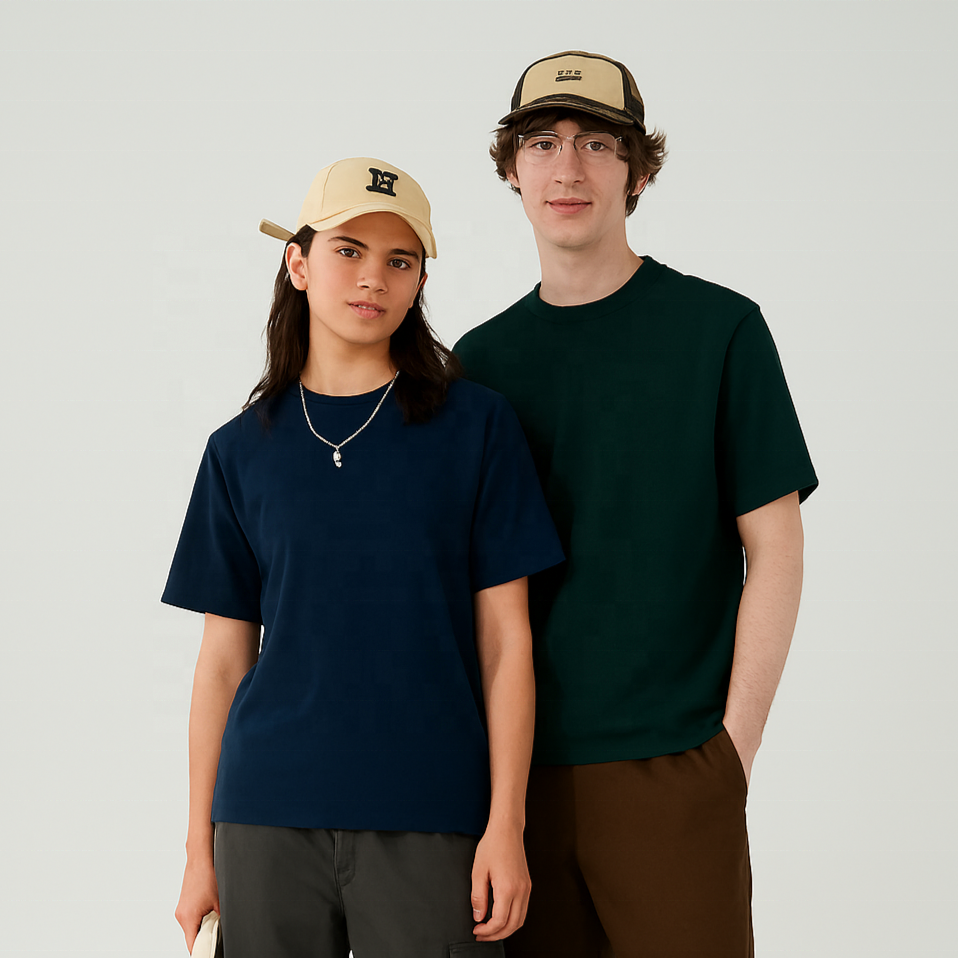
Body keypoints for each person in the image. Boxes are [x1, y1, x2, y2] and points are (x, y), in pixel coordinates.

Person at [454, 51, 818, 958]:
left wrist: (731, 751)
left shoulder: (719, 330)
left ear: (639, 171)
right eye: (543, 143)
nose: (568, 168)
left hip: (675, 766)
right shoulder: (479, 365)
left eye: (597, 144)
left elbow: (776, 546)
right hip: (517, 785)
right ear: (511, 170)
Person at [162, 156, 564, 958]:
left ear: (420, 283)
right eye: (348, 250)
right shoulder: (239, 451)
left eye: (400, 261)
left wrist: (506, 825)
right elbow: (223, 662)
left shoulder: (476, 429)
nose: (373, 277)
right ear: (298, 263)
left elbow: (506, 642)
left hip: (431, 810)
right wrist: (198, 849)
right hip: (265, 811)